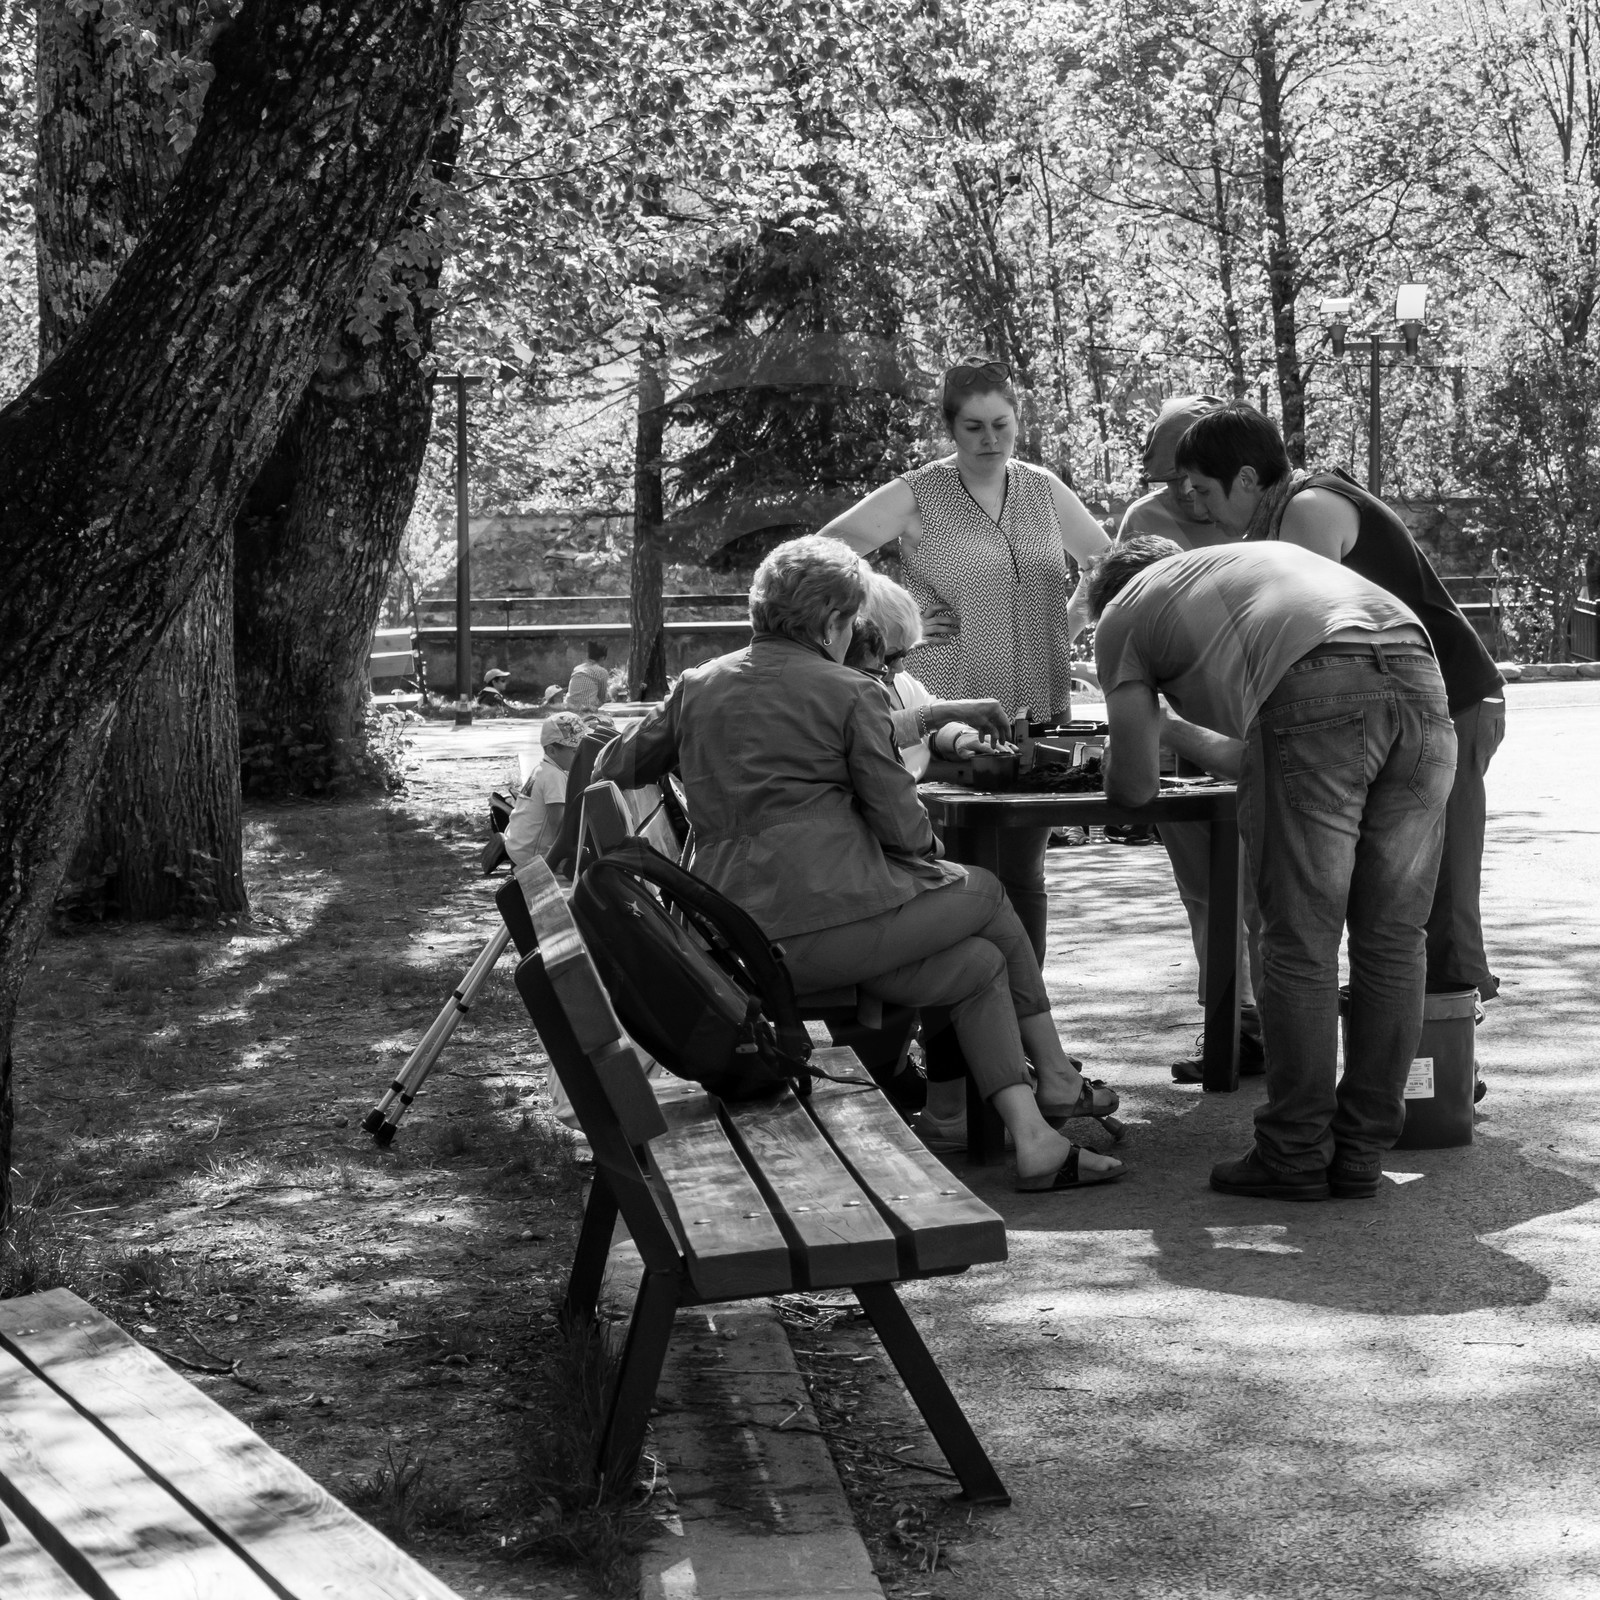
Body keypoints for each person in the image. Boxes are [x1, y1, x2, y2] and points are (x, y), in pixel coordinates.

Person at [596, 534, 1123, 1191]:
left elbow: (613, 764)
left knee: (979, 964)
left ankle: (1036, 1138)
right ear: (835, 622)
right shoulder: (849, 692)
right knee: (985, 893)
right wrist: (925, 862)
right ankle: (1056, 1075)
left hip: (731, 934)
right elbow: (904, 829)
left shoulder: (698, 687)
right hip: (816, 935)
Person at [1090, 537, 1455, 1200]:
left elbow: (1136, 789)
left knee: (1298, 939)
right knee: (1395, 937)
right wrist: (1172, 728)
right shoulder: (1238, 574)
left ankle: (1293, 1151)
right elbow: (1275, 753)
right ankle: (1361, 1150)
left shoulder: (1121, 613)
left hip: (1316, 684)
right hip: (1418, 671)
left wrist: (1126, 743)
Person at [1173, 404, 1506, 1005]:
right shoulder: (1283, 516)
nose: (1198, 507)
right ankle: (1417, 1057)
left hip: (1453, 698)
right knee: (1393, 890)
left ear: (1247, 478)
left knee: (1438, 895)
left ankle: (1446, 1064)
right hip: (1406, 704)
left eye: (1203, 490)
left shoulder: (1307, 509)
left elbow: (1312, 643)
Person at [820, 356, 1112, 957]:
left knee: (1025, 872)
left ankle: (1028, 1017)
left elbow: (1107, 562)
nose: (990, 439)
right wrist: (896, 618)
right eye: (974, 426)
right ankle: (964, 1022)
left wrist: (1074, 618)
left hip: (1036, 698)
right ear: (950, 428)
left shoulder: (1042, 488)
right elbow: (823, 552)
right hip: (949, 704)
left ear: (1017, 421)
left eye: (1001, 424)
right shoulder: (918, 491)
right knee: (960, 871)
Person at [1118, 395, 1264, 1080]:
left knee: (1270, 887)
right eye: (1169, 476)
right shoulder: (1145, 523)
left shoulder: (1260, 514)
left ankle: (1276, 1025)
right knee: (1205, 889)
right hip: (1181, 724)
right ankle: (1228, 1026)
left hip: (1252, 709)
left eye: (1194, 477)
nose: (1181, 491)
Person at [853, 571, 1009, 776]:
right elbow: (873, 731)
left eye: (904, 654)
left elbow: (928, 723)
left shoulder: (900, 681)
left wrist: (960, 737)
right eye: (891, 657)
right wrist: (950, 711)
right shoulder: (839, 684)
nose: (900, 668)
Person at [503, 711, 586, 869]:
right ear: (552, 750)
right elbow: (559, 825)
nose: (580, 755)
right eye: (575, 751)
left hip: (517, 846)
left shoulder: (543, 769)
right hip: (530, 856)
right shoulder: (554, 776)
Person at [565, 640, 611, 713]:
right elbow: (602, 698)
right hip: (587, 710)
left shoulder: (577, 668)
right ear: (602, 658)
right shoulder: (602, 671)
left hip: (570, 708)